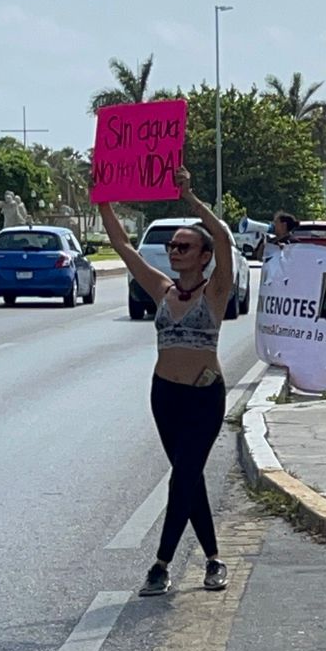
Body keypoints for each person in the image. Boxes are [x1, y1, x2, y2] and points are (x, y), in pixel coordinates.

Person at [98, 167, 232, 597]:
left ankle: (161, 564)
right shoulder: (162, 290)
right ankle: (213, 560)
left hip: (203, 396)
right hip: (165, 396)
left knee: (183, 478)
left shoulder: (216, 292)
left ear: (203, 255)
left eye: (184, 246)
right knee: (187, 476)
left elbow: (226, 239)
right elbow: (121, 245)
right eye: (172, 245)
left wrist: (191, 199)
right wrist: (103, 200)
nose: (174, 251)